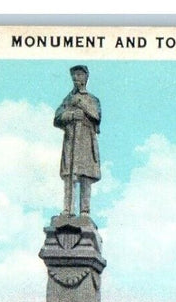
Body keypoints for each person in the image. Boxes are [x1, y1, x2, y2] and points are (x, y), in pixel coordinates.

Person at [54, 65, 101, 216]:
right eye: (74, 75)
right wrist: (71, 115)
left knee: (85, 176)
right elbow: (57, 117)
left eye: (79, 75)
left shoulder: (92, 99)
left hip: (86, 141)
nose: (76, 78)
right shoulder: (68, 99)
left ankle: (85, 211)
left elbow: (96, 115)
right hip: (71, 140)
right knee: (69, 175)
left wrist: (81, 103)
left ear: (86, 77)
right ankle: (68, 209)